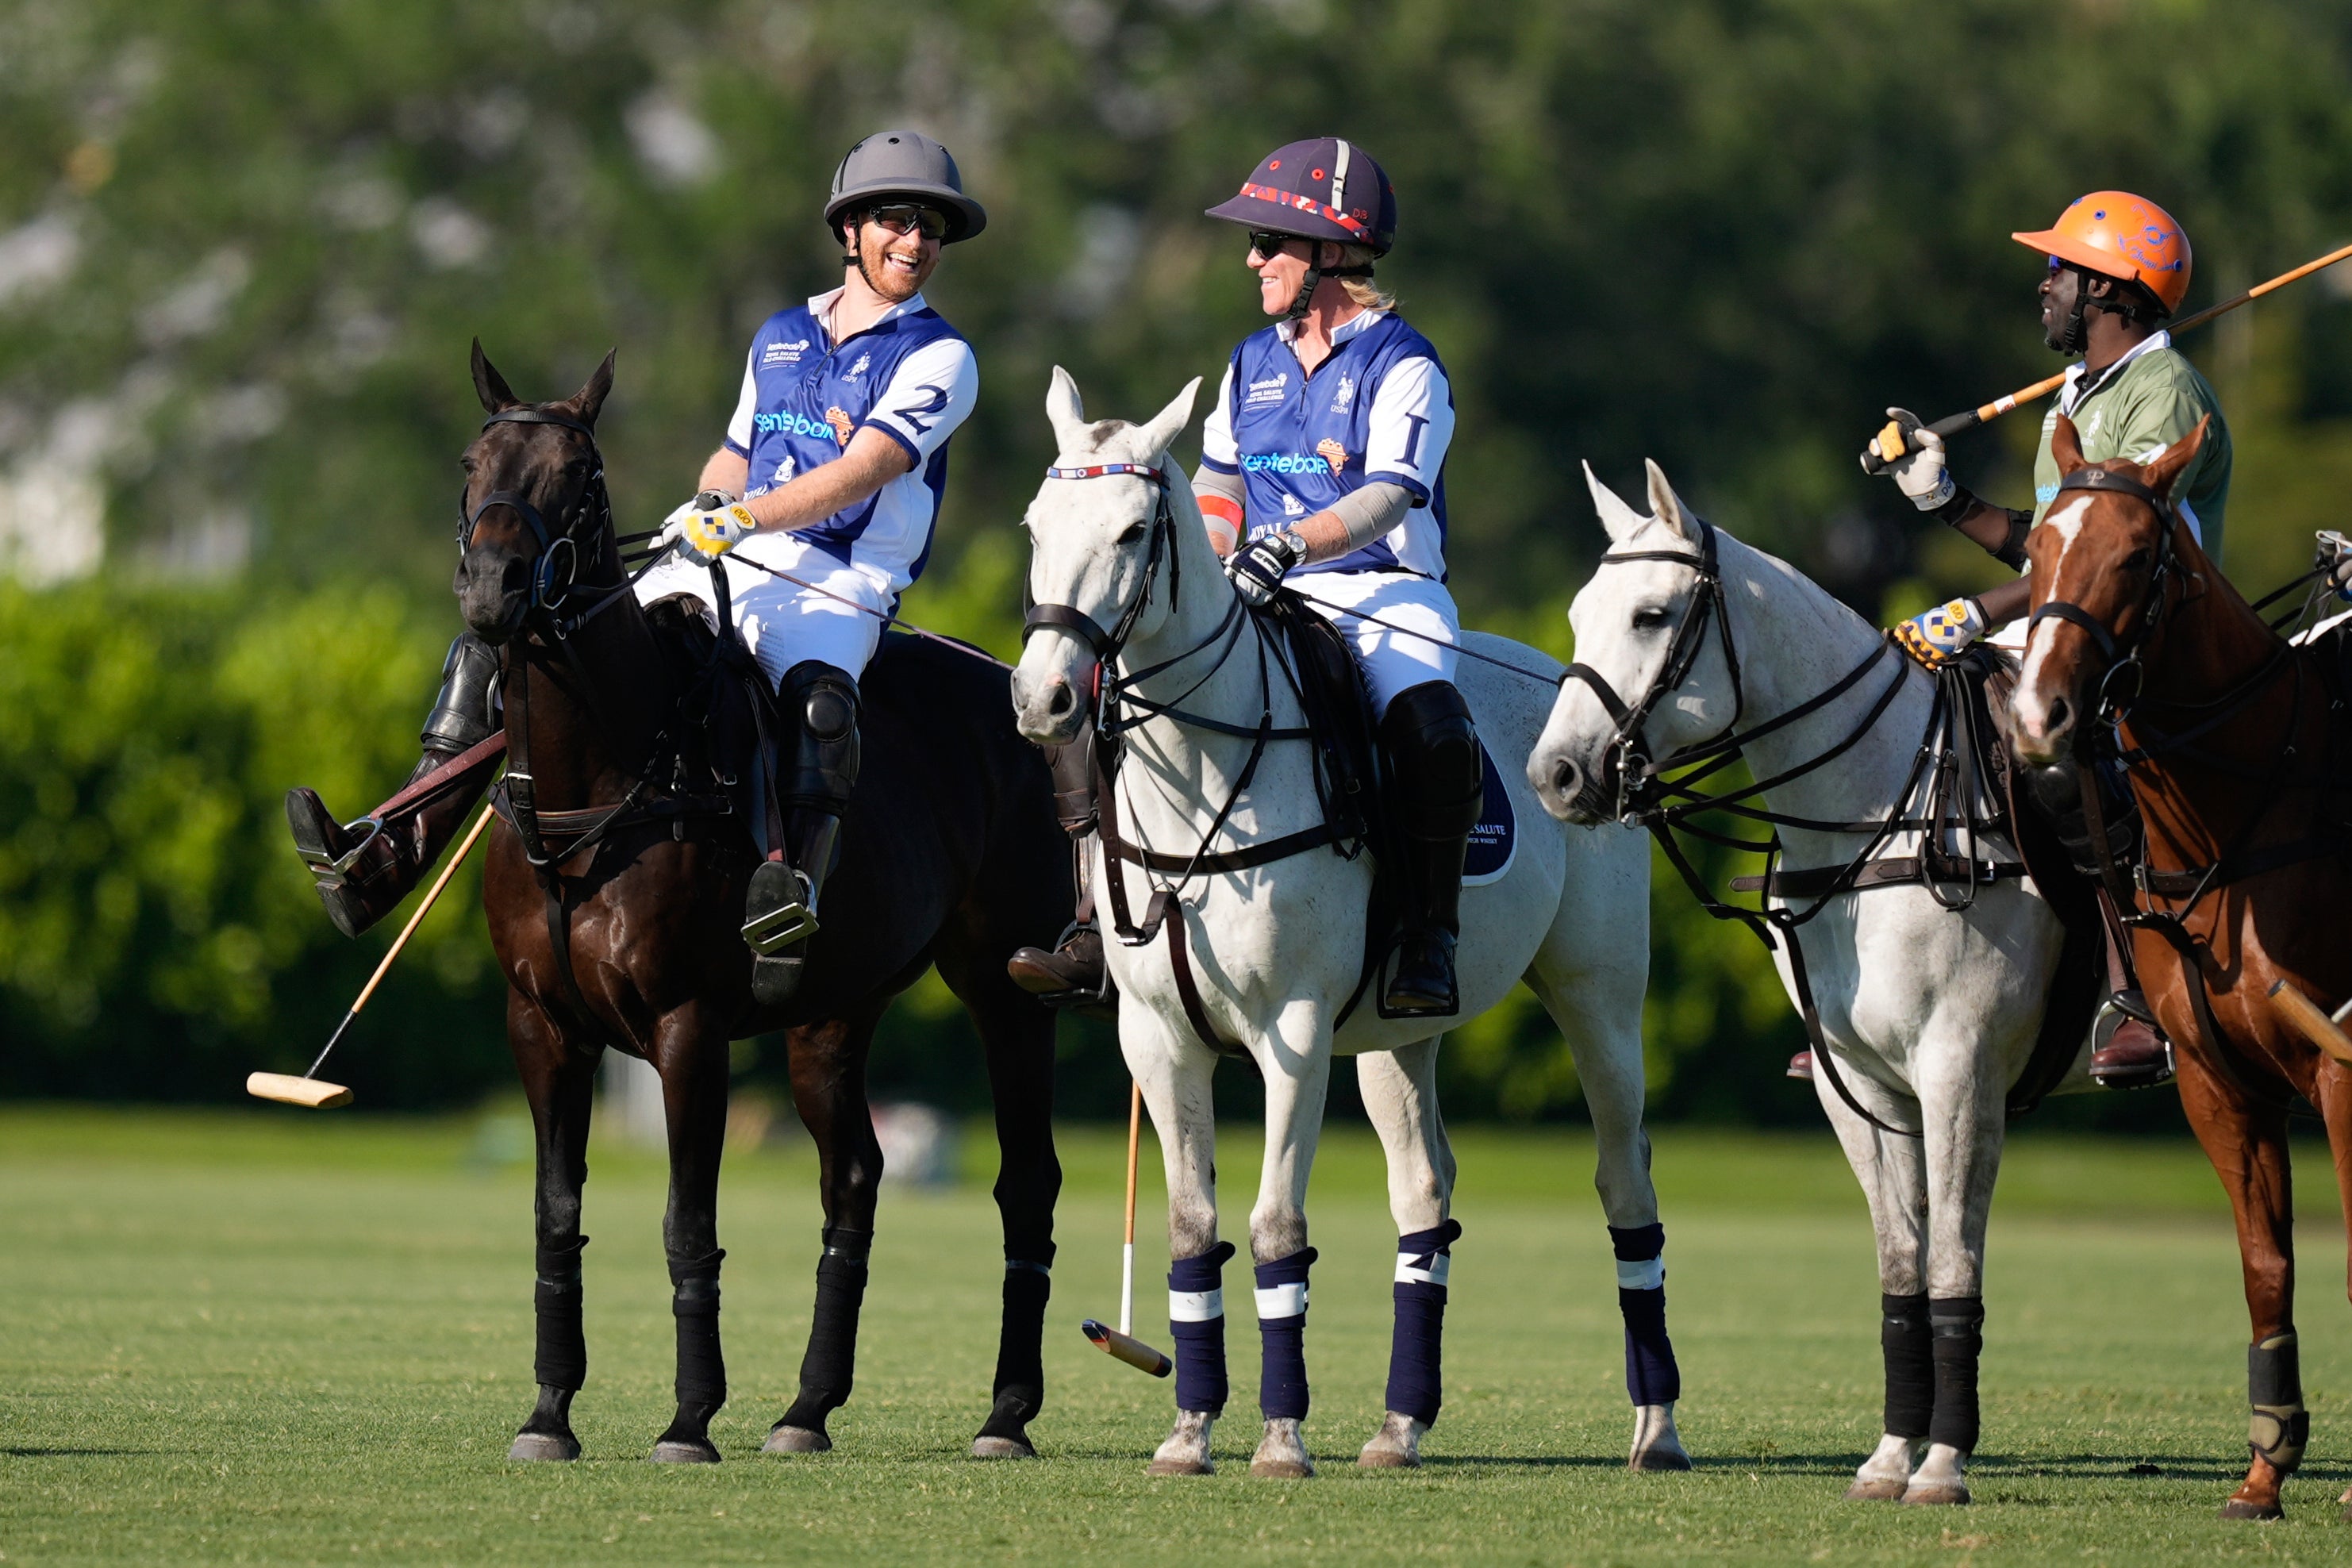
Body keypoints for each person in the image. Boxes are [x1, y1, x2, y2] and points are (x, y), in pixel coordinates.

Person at [287, 129, 984, 1008]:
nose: (916, 241)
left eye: (931, 227)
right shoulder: (778, 336)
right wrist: (708, 507)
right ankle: (388, 849)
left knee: (819, 702)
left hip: (839, 578)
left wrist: (744, 515)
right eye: (896, 219)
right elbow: (736, 453)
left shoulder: (941, 356)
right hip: (726, 547)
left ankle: (789, 895)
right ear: (851, 229)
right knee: (530, 648)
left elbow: (867, 468)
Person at [1009, 136, 1479, 1017]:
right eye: (1254, 242)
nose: (1253, 259)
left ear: (1333, 253)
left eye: (1272, 242)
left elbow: (1388, 494)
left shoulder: (1404, 363)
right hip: (1262, 587)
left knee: (1432, 727)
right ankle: (1091, 921)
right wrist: (1221, 549)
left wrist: (1293, 540)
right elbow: (1221, 484)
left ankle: (1428, 934)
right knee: (1107, 692)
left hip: (1383, 590)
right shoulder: (1250, 362)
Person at [1861, 190, 2231, 1090]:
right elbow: (2051, 545)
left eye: (2062, 269)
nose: (2047, 283)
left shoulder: (2167, 396)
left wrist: (1980, 611)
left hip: (2148, 649)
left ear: (2109, 289)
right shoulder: (2079, 392)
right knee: (1908, 714)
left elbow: (2115, 566)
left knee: (2061, 758)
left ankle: (2133, 989)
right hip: (2069, 633)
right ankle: (1878, 993)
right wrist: (1941, 497)